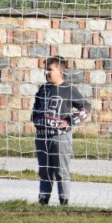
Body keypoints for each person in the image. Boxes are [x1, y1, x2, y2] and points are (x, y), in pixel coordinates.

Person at [31, 55, 91, 206]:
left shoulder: (69, 89)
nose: (46, 73)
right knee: (44, 171)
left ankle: (64, 201)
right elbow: (36, 106)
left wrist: (70, 121)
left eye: (50, 70)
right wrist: (36, 118)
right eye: (45, 70)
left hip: (60, 137)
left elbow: (86, 107)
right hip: (42, 137)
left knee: (60, 171)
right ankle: (43, 200)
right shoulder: (43, 89)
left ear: (60, 71)